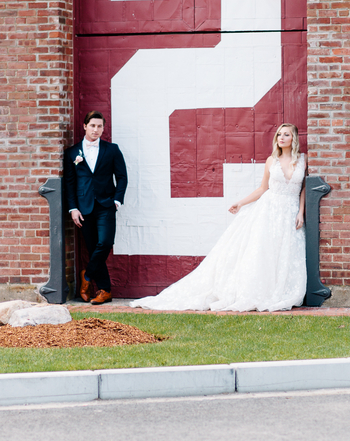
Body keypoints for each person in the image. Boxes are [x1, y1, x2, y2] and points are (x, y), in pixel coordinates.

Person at [130, 123, 307, 312]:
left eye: (286, 135)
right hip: (269, 211)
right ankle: (256, 292)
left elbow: (304, 187)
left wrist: (301, 212)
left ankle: (279, 291)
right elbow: (263, 189)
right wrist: (240, 203)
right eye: (279, 134)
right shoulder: (271, 161)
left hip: (290, 212)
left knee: (285, 252)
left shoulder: (303, 160)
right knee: (265, 251)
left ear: (293, 138)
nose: (281, 138)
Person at [63, 111, 128, 304]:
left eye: (100, 126)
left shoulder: (112, 149)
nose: (96, 130)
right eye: (92, 126)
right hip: (83, 208)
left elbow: (122, 177)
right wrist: (73, 208)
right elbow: (69, 183)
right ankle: (105, 290)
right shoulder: (72, 153)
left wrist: (117, 200)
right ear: (85, 126)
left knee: (105, 243)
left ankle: (87, 276)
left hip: (106, 205)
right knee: (93, 249)